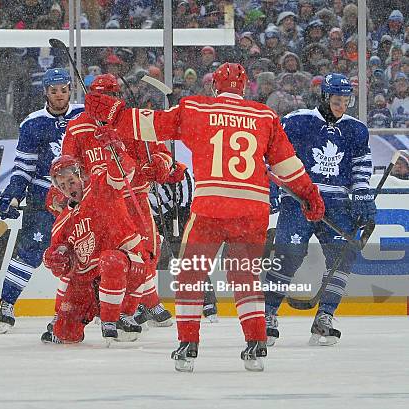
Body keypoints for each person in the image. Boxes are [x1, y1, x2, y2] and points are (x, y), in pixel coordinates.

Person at [83, 62, 324, 372]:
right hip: (252, 209)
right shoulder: (265, 116)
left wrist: (113, 114)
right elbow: (288, 167)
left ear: (214, 87)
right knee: (244, 277)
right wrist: (310, 195)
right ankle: (256, 342)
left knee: (189, 276)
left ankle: (188, 344)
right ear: (245, 87)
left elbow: (152, 125)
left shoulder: (197, 108)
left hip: (212, 206)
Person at [263, 73, 375, 347]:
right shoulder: (297, 120)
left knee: (342, 258)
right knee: (288, 257)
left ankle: (325, 316)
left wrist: (362, 195)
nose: (343, 106)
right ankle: (266, 316)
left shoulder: (356, 129)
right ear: (325, 97)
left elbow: (361, 166)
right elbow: (274, 154)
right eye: (338, 100)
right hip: (299, 200)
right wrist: (274, 186)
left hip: (337, 205)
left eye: (347, 100)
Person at [61, 74, 175, 328]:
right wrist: (70, 196)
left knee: (147, 253)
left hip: (136, 197)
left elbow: (162, 155)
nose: (105, 101)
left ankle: (131, 308)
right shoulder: (79, 126)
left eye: (111, 95)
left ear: (119, 96)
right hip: (100, 205)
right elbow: (67, 166)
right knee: (103, 259)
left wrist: (159, 165)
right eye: (100, 95)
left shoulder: (134, 121)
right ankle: (102, 311)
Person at [0, 68, 84, 334]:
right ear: (45, 92)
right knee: (29, 251)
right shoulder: (32, 124)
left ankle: (91, 311)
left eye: (63, 90)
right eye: (54, 91)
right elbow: (23, 169)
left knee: (87, 254)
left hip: (81, 198)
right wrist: (14, 194)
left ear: (70, 90)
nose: (59, 96)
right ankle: (6, 304)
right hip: (44, 199)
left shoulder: (84, 116)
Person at [41, 148, 147, 344]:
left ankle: (118, 317)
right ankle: (64, 321)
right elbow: (58, 257)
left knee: (111, 260)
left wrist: (117, 152)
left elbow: (124, 172)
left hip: (126, 267)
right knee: (65, 333)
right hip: (88, 282)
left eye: (71, 181)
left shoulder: (100, 186)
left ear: (80, 175)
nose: (68, 188)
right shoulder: (62, 222)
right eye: (63, 186)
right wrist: (52, 259)